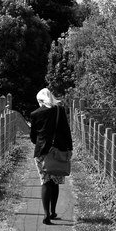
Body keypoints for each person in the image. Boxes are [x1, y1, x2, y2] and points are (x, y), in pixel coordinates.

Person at [28, 87, 73, 224]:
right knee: (55, 181)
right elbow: (66, 131)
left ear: (40, 100)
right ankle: (53, 211)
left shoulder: (35, 114)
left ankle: (46, 214)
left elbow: (33, 137)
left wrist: (42, 143)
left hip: (41, 152)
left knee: (45, 181)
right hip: (58, 151)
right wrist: (69, 148)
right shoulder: (59, 110)